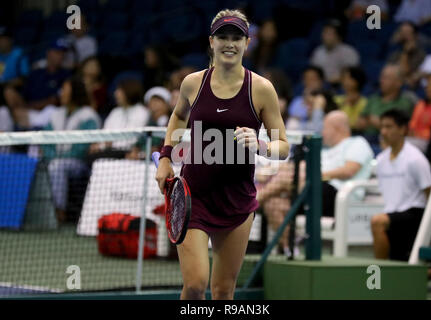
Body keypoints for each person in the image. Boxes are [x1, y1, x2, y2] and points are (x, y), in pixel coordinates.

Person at [155, 9, 289, 300]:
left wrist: (261, 145)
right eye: (223, 37)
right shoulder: (193, 83)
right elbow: (178, 117)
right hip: (193, 198)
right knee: (194, 285)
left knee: (223, 291)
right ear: (211, 42)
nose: (230, 43)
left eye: (236, 37)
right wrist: (165, 156)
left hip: (237, 202)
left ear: (247, 43)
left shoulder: (262, 90)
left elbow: (283, 147)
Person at [256, 111, 373, 253]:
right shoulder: (323, 149)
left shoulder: (357, 143)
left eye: (324, 128)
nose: (322, 132)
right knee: (272, 203)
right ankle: (291, 249)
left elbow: (349, 170)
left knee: (299, 171)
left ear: (337, 128)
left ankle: (254, 200)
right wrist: (274, 169)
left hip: (336, 194)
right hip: (309, 191)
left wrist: (316, 175)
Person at [371, 110, 431, 263]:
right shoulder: (380, 160)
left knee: (377, 221)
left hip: (414, 213)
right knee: (403, 264)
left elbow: (430, 192)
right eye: (382, 127)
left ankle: (379, 271)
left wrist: (428, 226)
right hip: (392, 214)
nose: (384, 131)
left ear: (402, 129)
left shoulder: (416, 159)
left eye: (389, 127)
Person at [42, 75, 101, 222]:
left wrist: (56, 159)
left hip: (79, 164)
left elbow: (84, 146)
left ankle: (59, 212)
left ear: (75, 92)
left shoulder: (88, 116)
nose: (61, 93)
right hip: (54, 161)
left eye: (65, 90)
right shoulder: (55, 114)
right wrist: (52, 156)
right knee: (47, 165)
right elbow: (45, 141)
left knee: (57, 166)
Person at [4, 39, 71, 128]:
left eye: (63, 53)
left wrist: (30, 106)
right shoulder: (36, 73)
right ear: (49, 53)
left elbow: (54, 101)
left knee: (50, 109)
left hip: (48, 113)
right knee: (8, 95)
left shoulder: (66, 75)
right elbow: (25, 96)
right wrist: (27, 106)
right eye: (57, 52)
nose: (61, 56)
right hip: (29, 110)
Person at [87, 78, 149, 163]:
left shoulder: (142, 112)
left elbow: (132, 139)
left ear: (129, 91)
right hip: (110, 152)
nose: (116, 93)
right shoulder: (115, 112)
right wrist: (100, 145)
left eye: (119, 90)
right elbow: (105, 134)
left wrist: (107, 144)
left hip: (128, 154)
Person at [357, 64, 416, 151]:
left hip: (389, 141)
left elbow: (400, 128)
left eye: (386, 78)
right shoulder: (373, 99)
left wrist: (375, 121)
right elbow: (359, 123)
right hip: (366, 137)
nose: (381, 80)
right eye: (381, 77)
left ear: (398, 83)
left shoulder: (405, 102)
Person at [310, 19, 360, 85]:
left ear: (338, 36)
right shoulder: (318, 51)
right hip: (321, 86)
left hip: (341, 86)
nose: (324, 36)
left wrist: (331, 81)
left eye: (329, 33)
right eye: (324, 32)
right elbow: (313, 73)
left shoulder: (349, 52)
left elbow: (352, 76)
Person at [334, 66, 368, 132]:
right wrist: (343, 104)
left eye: (348, 78)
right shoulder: (336, 99)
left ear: (357, 80)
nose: (344, 81)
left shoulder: (365, 103)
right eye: (343, 78)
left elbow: (359, 125)